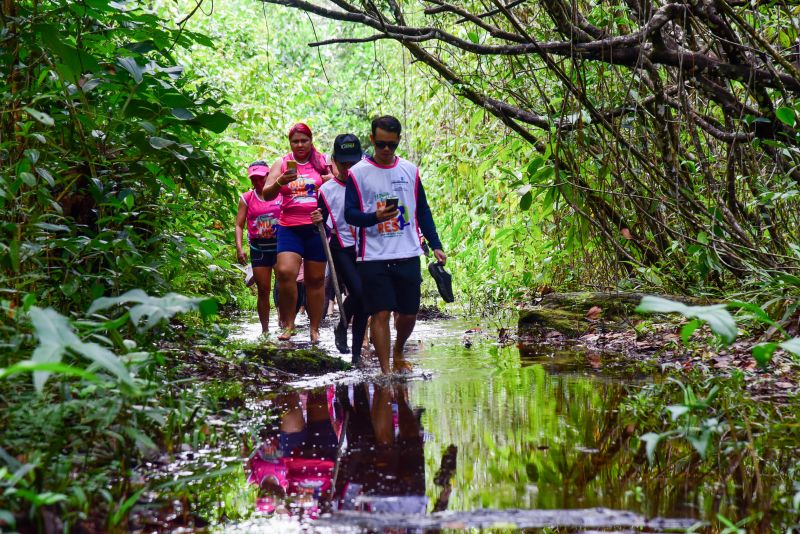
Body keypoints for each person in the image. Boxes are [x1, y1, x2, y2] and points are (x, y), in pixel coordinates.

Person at [344, 115, 446, 374]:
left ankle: (399, 350)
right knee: (381, 313)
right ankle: (385, 370)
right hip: (373, 256)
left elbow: (422, 210)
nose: (387, 150)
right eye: (381, 144)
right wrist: (373, 218)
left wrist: (435, 243)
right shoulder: (358, 174)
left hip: (408, 252)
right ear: (372, 140)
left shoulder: (410, 171)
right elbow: (350, 214)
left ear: (399, 140)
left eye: (392, 144)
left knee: (409, 313)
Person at [263, 123, 334, 342]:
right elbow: (266, 194)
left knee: (315, 280)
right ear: (290, 143)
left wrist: (326, 180)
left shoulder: (322, 161)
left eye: (304, 140)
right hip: (289, 227)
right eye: (295, 141)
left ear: (311, 141)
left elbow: (338, 183)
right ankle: (289, 324)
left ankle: (314, 328)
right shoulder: (282, 163)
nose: (300, 144)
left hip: (315, 227)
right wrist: (280, 182)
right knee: (285, 272)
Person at [311, 134, 369, 365]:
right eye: (343, 163)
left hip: (368, 247)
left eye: (353, 163)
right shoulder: (326, 191)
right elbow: (321, 223)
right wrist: (317, 220)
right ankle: (343, 328)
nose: (348, 168)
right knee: (359, 293)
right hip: (341, 248)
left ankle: (354, 352)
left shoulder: (368, 184)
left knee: (365, 300)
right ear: (334, 160)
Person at [235, 161, 280, 334]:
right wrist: (239, 248)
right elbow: (239, 225)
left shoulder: (279, 193)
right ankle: (265, 330)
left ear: (268, 175)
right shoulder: (247, 198)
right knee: (263, 290)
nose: (258, 182)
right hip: (259, 248)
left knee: (283, 286)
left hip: (280, 246)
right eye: (254, 179)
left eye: (261, 178)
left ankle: (284, 323)